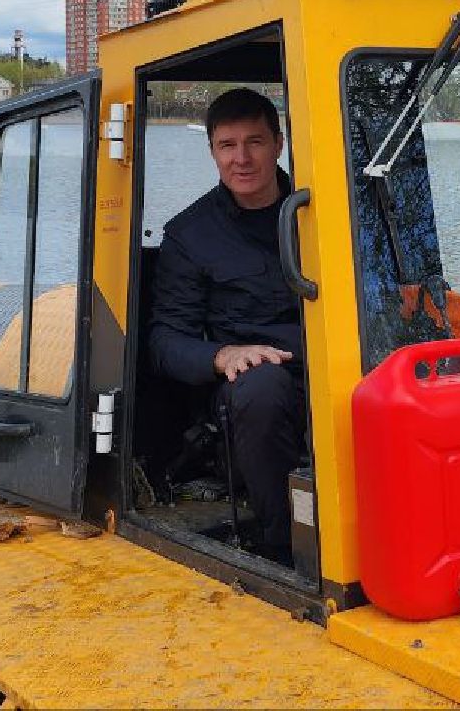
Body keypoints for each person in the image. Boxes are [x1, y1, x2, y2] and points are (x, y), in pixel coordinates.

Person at [148, 88, 306, 565]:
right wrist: (224, 356)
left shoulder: (321, 213)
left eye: (255, 142)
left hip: (329, 365)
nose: (242, 158)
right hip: (249, 393)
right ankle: (287, 552)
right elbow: (163, 343)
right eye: (227, 145)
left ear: (278, 144)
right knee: (261, 386)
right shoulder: (190, 235)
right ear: (213, 151)